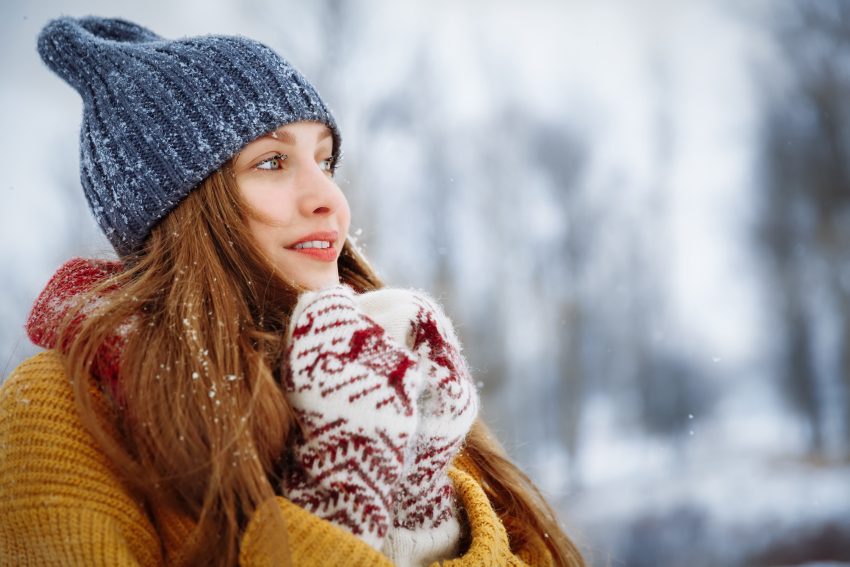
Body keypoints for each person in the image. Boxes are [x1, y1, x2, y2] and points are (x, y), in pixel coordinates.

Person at [0, 16, 586, 567]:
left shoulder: (384, 359)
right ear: (183, 210)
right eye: (273, 162)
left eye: (324, 161)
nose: (329, 198)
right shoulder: (66, 406)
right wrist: (338, 506)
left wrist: (419, 514)